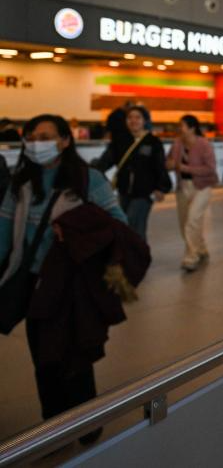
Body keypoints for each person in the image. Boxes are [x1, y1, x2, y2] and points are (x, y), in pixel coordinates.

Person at [0, 114, 133, 442]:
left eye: (45, 137)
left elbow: (118, 224)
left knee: (75, 357)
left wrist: (77, 228)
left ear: (64, 141)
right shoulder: (21, 183)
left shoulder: (88, 180)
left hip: (72, 285)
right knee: (43, 359)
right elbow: (2, 234)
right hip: (34, 285)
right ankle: (53, 427)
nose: (37, 143)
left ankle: (86, 424)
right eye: (31, 137)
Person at [93, 105, 172, 242]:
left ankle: (138, 254)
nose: (133, 120)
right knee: (125, 225)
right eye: (130, 117)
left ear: (145, 121)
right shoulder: (120, 141)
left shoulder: (153, 142)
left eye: (137, 117)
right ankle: (131, 252)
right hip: (124, 191)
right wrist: (96, 173)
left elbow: (159, 166)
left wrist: (161, 187)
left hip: (144, 192)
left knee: (134, 223)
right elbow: (105, 162)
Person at [166, 115, 217, 272]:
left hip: (202, 187)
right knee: (184, 222)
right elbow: (168, 162)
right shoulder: (177, 143)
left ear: (192, 128)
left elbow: (210, 168)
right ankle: (200, 248)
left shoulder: (204, 144)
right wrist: (169, 165)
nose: (179, 128)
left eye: (181, 125)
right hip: (182, 187)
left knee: (192, 220)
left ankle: (191, 257)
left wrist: (185, 168)